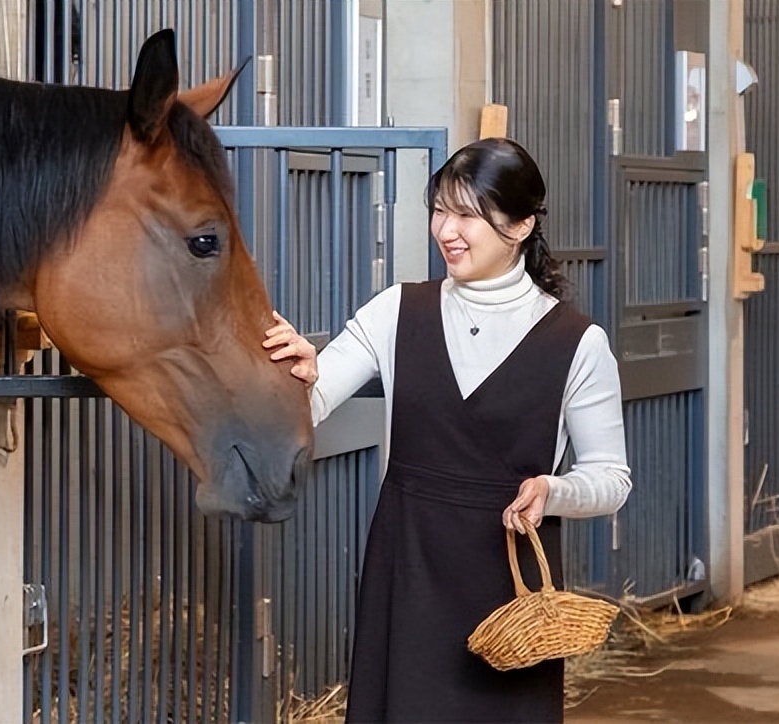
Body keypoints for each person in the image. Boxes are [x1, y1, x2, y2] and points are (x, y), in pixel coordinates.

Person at [263, 137, 632, 723]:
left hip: (508, 590)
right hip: (407, 571)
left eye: (468, 215)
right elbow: (314, 401)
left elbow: (611, 478)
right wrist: (299, 375)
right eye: (440, 210)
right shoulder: (396, 310)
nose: (447, 230)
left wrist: (553, 491)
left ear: (521, 225)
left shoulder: (577, 343)